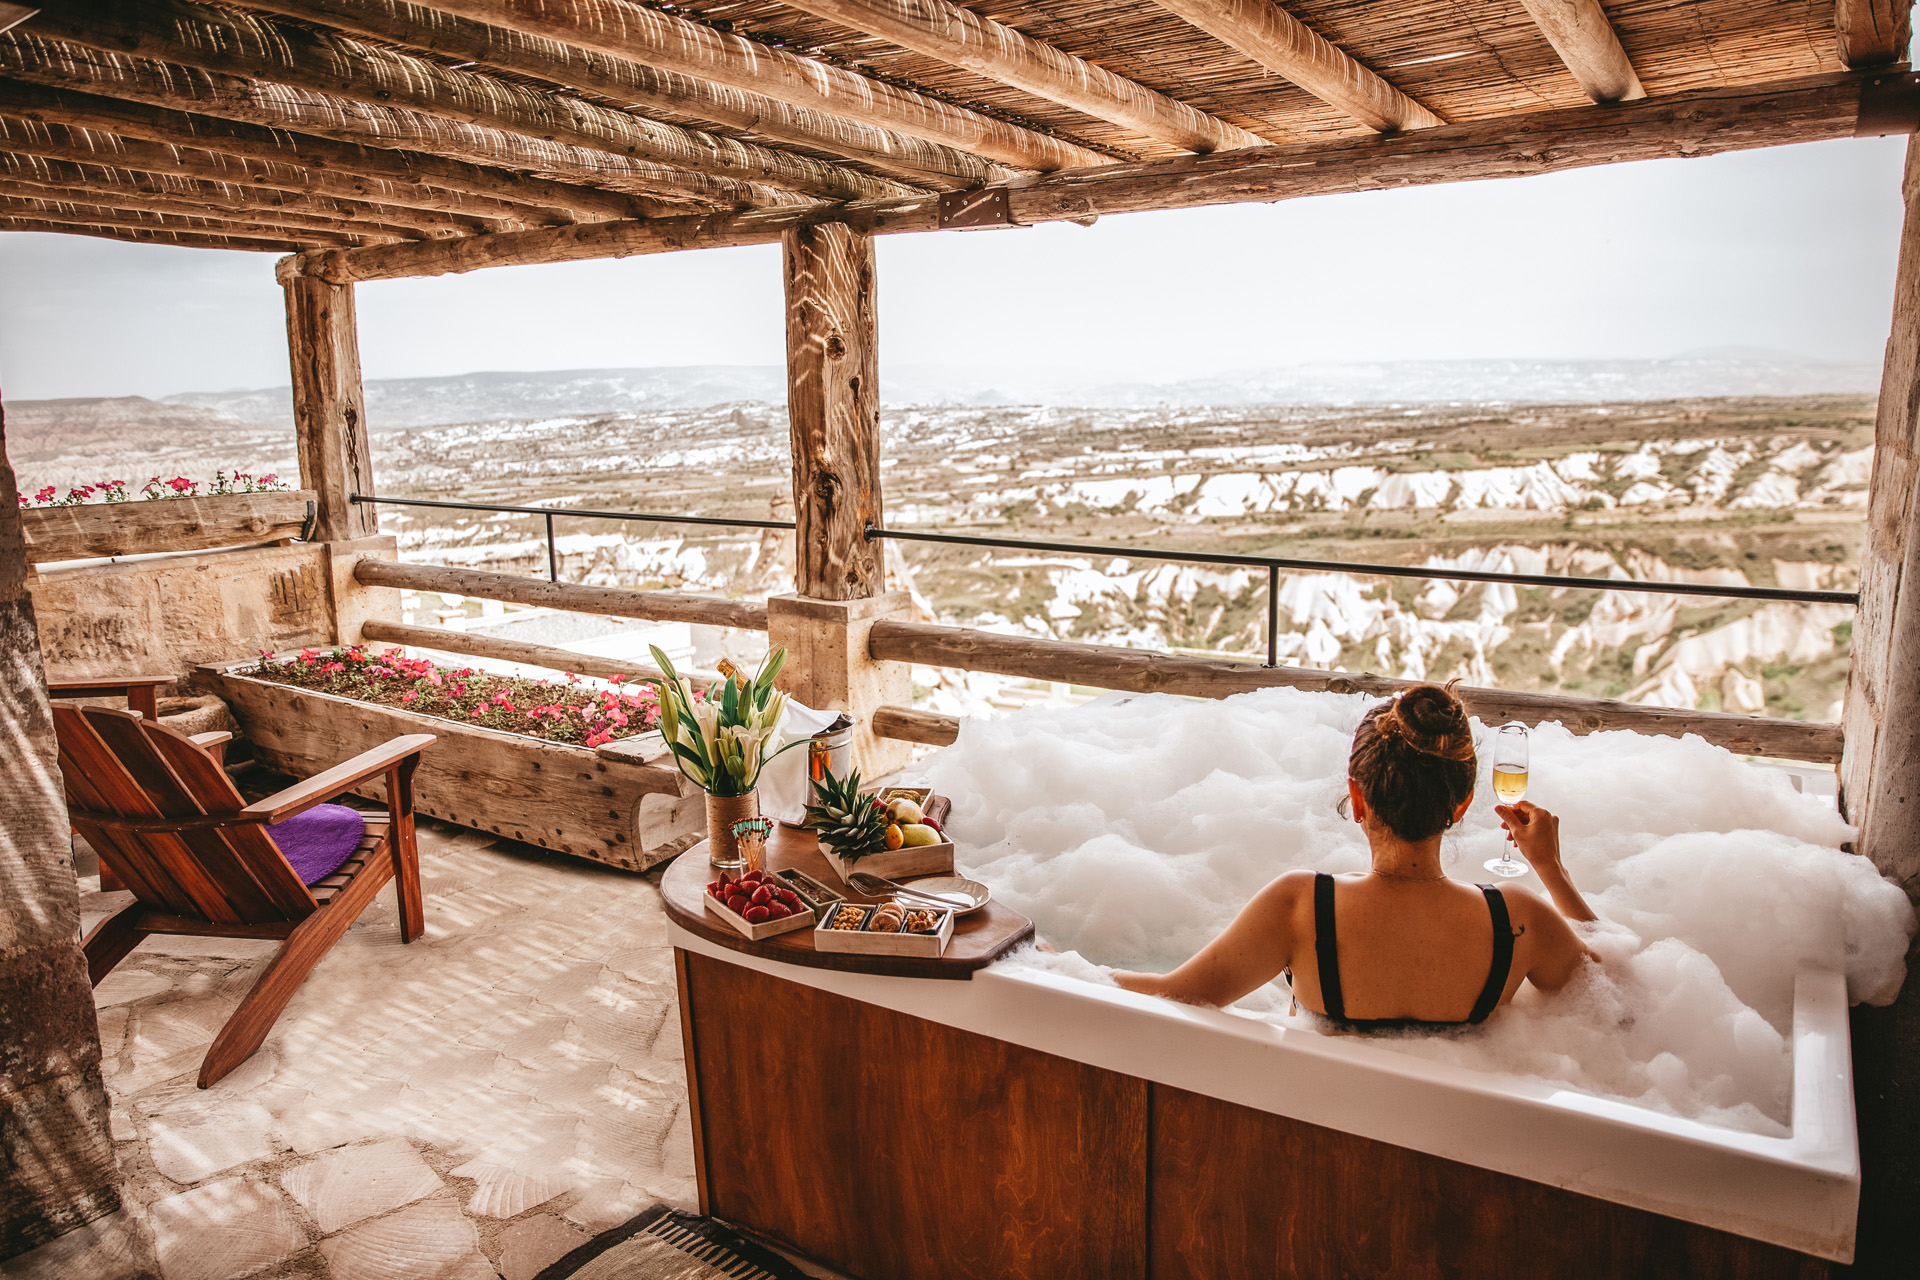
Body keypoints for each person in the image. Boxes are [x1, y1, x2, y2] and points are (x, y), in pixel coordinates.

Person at [1113, 682, 1599, 1026]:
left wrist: (1053, 964)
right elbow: (1613, 1007)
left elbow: (1174, 996)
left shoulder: (1302, 904)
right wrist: (1550, 868)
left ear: (1358, 797)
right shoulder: (1517, 919)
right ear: (1463, 803)